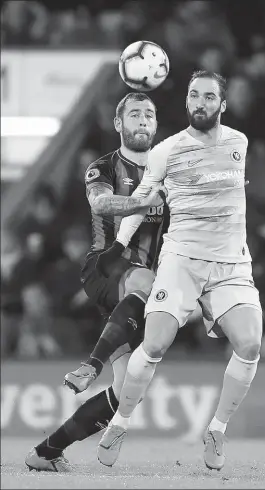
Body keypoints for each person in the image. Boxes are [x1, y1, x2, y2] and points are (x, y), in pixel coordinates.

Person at [97, 70, 263, 471]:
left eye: (208, 97)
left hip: (231, 264)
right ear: (186, 102)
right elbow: (138, 201)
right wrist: (119, 245)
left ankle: (217, 429)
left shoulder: (239, 142)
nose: (199, 103)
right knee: (154, 344)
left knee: (251, 345)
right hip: (182, 261)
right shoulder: (166, 151)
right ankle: (120, 423)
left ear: (222, 104)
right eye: (193, 95)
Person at [25, 92, 166, 472]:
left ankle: (47, 452)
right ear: (118, 124)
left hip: (134, 299)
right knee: (146, 278)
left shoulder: (169, 169)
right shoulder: (103, 167)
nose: (142, 120)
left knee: (125, 393)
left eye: (148, 114)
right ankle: (91, 364)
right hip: (107, 267)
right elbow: (101, 204)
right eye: (133, 114)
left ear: (155, 125)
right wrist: (144, 201)